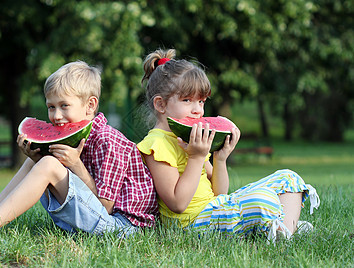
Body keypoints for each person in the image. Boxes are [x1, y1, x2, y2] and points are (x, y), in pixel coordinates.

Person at [0, 61, 158, 246]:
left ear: (90, 105)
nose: (56, 115)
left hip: (123, 229)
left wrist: (75, 165)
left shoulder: (108, 140)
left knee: (48, 165)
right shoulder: (75, 136)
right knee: (38, 163)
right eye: (51, 107)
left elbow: (105, 206)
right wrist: (36, 160)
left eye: (64, 106)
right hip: (95, 219)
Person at [137, 49, 320, 241]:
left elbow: (220, 193)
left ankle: (282, 229)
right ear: (160, 104)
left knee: (288, 177)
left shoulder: (190, 138)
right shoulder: (156, 145)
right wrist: (196, 157)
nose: (197, 110)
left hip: (215, 210)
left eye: (201, 101)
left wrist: (220, 159)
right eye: (187, 100)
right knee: (263, 199)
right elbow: (177, 203)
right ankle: (282, 227)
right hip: (191, 225)